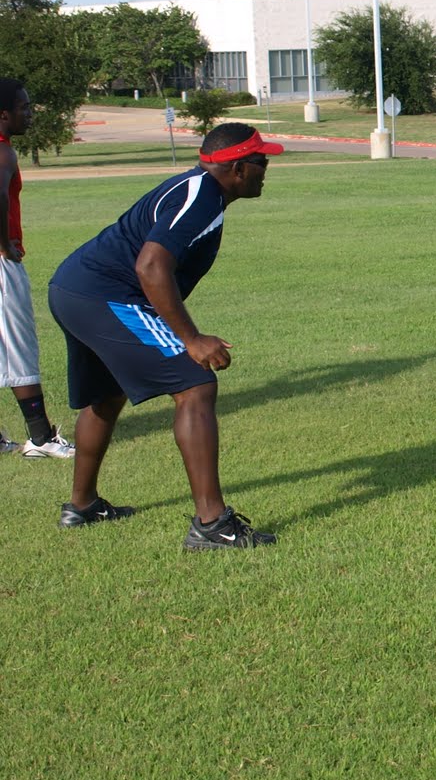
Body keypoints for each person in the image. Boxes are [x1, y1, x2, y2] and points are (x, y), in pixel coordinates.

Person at [47, 122, 283, 548]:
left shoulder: (199, 190)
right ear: (237, 169)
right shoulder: (202, 197)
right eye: (261, 162)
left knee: (106, 396)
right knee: (196, 385)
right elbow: (151, 266)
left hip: (73, 289)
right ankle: (212, 525)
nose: (266, 169)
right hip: (104, 295)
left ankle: (82, 507)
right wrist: (192, 339)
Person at [0, 79, 75, 458]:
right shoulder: (3, 152)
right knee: (19, 347)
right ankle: (41, 438)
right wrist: (4, 244)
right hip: (0, 265)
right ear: (4, 114)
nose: (30, 114)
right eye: (24, 108)